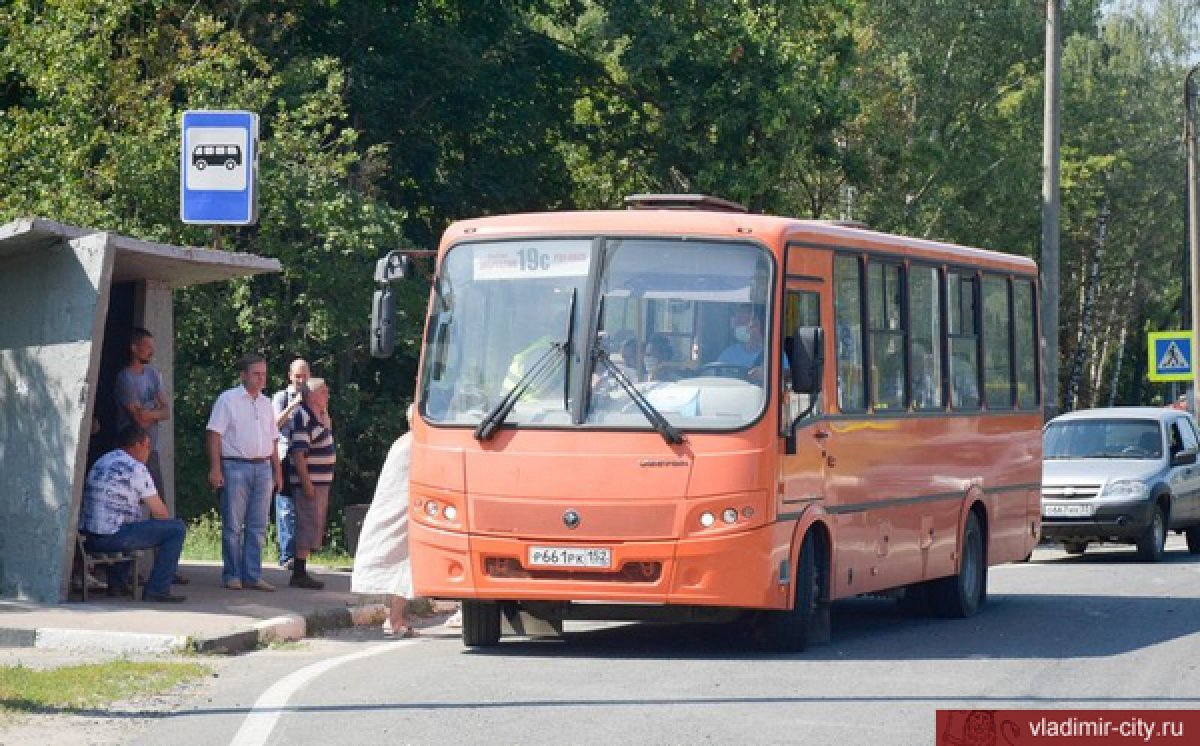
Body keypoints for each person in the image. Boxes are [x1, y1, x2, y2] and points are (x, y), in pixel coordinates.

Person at [79, 424, 187, 603]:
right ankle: (157, 589)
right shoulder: (135, 468)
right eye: (147, 446)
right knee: (176, 529)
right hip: (112, 538)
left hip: (89, 538)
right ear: (137, 445)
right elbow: (160, 513)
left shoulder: (102, 461)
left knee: (129, 520)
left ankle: (117, 585)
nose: (148, 451)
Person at [206, 353, 283, 592]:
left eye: (264, 374)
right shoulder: (228, 400)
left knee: (258, 525)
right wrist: (215, 467)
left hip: (263, 467)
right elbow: (214, 434)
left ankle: (252, 574)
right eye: (256, 374)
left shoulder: (266, 403)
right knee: (233, 525)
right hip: (235, 465)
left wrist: (277, 472)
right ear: (244, 375)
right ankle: (232, 574)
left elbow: (273, 440)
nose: (261, 379)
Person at [352, 405, 420, 637]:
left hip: (400, 512)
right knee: (403, 565)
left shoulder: (402, 442)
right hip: (403, 513)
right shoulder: (413, 444)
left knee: (403, 565)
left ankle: (397, 618)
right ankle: (396, 619)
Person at [287, 378, 336, 590]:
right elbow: (298, 452)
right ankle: (298, 573)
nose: (327, 395)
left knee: (315, 524)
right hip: (310, 483)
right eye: (324, 392)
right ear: (313, 396)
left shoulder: (320, 416)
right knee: (307, 524)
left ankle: (302, 570)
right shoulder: (303, 416)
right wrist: (306, 483)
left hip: (321, 482)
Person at [114, 328, 170, 502]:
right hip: (131, 449)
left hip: (150, 448)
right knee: (129, 501)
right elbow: (138, 419)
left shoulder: (153, 374)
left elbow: (167, 411)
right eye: (147, 346)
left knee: (158, 500)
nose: (151, 351)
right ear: (134, 348)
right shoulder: (125, 378)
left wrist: (149, 414)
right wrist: (155, 413)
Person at [271, 358, 310, 569]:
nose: (301, 380)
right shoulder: (281, 397)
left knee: (302, 506)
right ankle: (287, 556)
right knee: (285, 507)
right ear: (290, 376)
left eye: (304, 376)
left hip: (305, 458)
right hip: (285, 456)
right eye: (297, 376)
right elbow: (273, 424)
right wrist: (293, 405)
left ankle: (302, 553)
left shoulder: (312, 397)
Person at [718, 305, 767, 379]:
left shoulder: (773, 352)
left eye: (742, 322)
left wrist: (767, 374)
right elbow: (715, 373)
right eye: (737, 323)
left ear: (756, 324)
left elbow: (787, 374)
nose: (737, 327)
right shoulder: (729, 353)